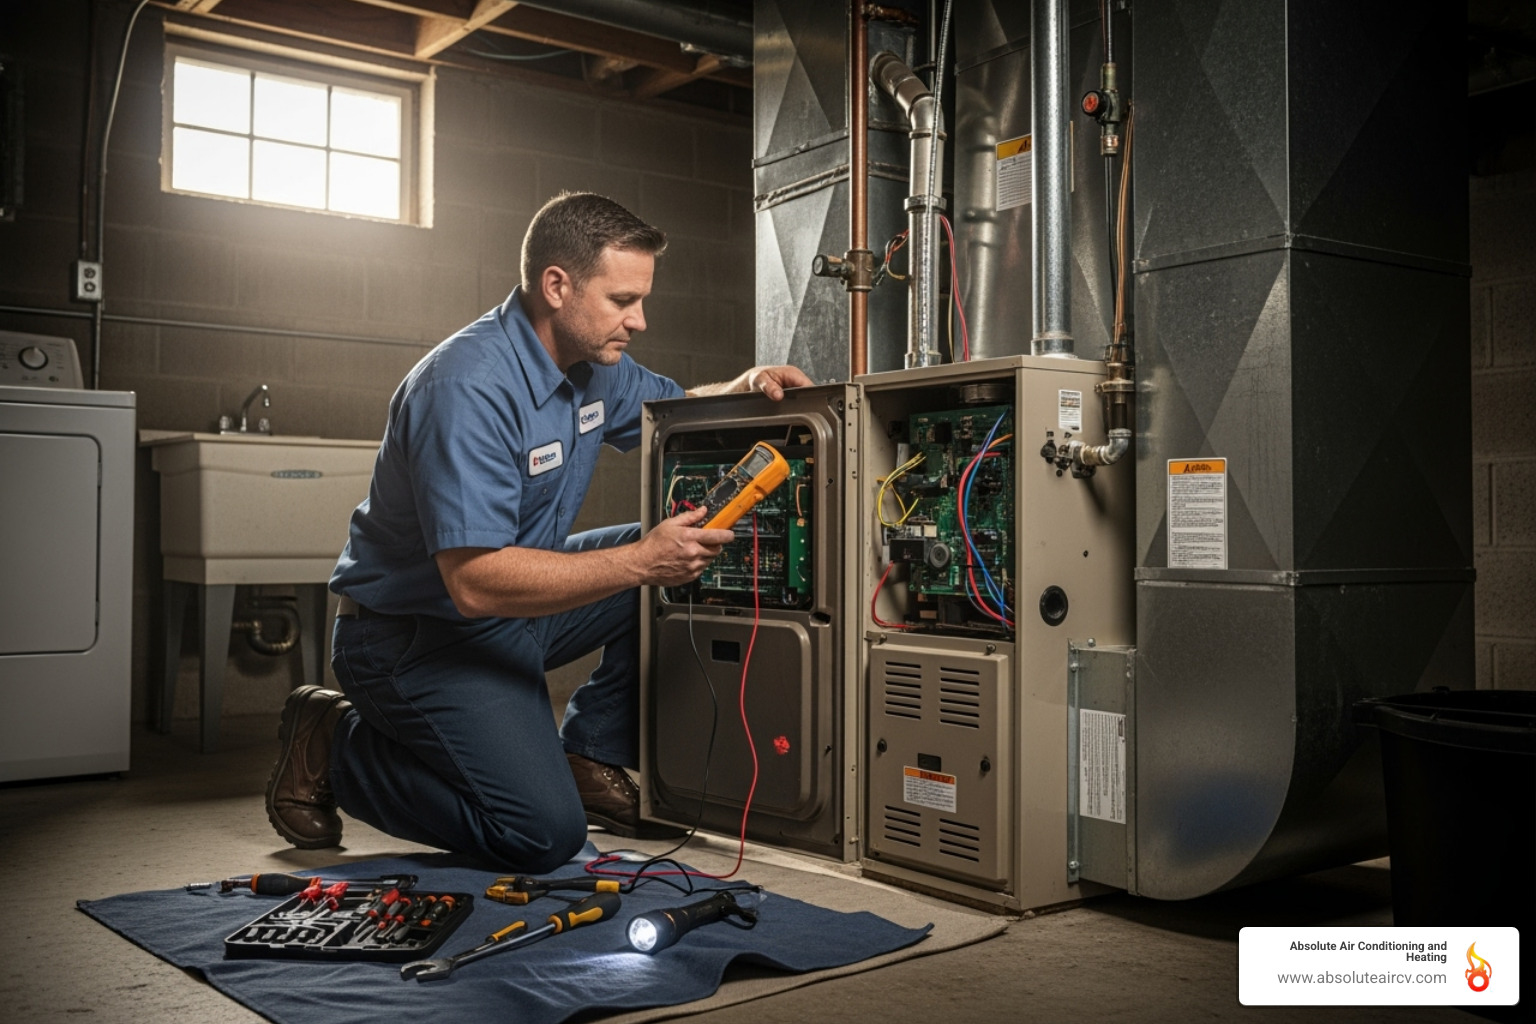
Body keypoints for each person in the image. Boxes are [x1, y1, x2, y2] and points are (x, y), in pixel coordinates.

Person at [263, 192, 813, 874]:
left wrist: (742, 382)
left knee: (682, 552)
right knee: (542, 837)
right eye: (621, 300)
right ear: (557, 285)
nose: (639, 320)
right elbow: (474, 583)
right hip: (417, 636)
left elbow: (671, 409)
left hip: (510, 611)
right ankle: (335, 744)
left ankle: (590, 751)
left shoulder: (589, 366)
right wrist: (641, 562)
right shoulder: (465, 387)